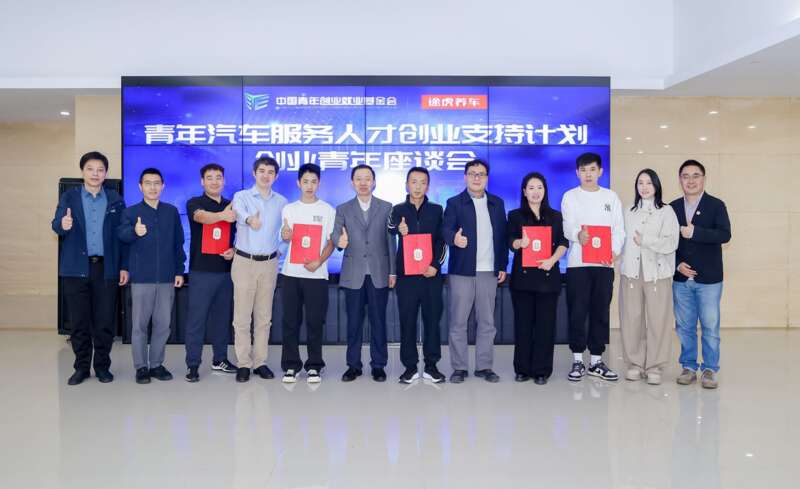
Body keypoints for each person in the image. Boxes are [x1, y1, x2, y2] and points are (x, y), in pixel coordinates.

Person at [51, 151, 128, 385]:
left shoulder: (115, 199)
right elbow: (56, 225)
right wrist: (63, 224)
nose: (95, 174)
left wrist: (124, 266)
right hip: (76, 269)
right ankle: (81, 367)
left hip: (105, 268)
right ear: (82, 171)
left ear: (106, 173)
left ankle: (102, 367)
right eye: (90, 169)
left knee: (105, 322)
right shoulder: (70, 197)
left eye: (100, 170)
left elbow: (122, 236)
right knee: (79, 323)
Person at [442, 158, 508, 383]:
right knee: (458, 322)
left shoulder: (497, 203)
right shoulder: (454, 203)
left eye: (481, 174)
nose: (477, 178)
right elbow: (445, 229)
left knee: (487, 323)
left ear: (487, 178)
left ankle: (484, 366)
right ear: (465, 177)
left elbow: (502, 237)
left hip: (489, 271)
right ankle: (459, 367)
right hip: (462, 271)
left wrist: (502, 265)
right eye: (472, 174)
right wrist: (454, 238)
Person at [118, 167, 186, 384]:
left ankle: (156, 364)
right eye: (148, 183)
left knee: (163, 325)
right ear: (140, 186)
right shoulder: (131, 212)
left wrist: (179, 270)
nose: (153, 187)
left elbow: (178, 243)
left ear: (163, 186)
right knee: (139, 326)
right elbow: (122, 236)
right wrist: (134, 232)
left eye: (157, 183)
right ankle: (141, 367)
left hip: (167, 277)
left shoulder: (171, 212)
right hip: (141, 278)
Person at [561, 152, 625, 382]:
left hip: (604, 265)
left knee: (600, 311)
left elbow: (619, 230)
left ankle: (596, 360)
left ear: (600, 172)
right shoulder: (570, 196)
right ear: (577, 173)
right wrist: (577, 235)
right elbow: (566, 226)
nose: (588, 174)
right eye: (583, 170)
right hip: (578, 264)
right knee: (577, 312)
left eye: (592, 169)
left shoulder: (611, 197)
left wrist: (614, 251)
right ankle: (577, 359)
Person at [331, 164, 396, 382]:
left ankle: (378, 365)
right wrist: (338, 241)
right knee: (354, 323)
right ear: (352, 183)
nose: (363, 183)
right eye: (358, 179)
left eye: (367, 178)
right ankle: (353, 365)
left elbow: (391, 241)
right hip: (353, 273)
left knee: (378, 322)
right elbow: (335, 234)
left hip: (379, 272)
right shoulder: (343, 208)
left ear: (374, 182)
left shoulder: (386, 207)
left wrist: (393, 271)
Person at [670, 160, 731, 389]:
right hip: (681, 279)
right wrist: (677, 264)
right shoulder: (672, 207)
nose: (691, 180)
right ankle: (688, 366)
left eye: (696, 175)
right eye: (685, 176)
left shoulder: (716, 205)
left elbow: (724, 235)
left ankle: (709, 369)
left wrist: (695, 232)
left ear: (703, 179)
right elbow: (666, 242)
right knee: (684, 327)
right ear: (680, 180)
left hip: (709, 279)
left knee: (710, 327)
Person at [619, 169, 679, 385]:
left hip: (657, 273)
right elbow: (620, 239)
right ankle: (635, 363)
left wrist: (646, 241)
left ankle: (655, 366)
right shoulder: (628, 211)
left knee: (658, 320)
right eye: (640, 183)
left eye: (649, 183)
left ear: (656, 186)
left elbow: (671, 242)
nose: (644, 187)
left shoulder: (666, 211)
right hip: (631, 272)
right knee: (631, 318)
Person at [507, 172, 568, 385]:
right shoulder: (515, 215)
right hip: (522, 280)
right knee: (523, 326)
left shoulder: (555, 216)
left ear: (545, 191)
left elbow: (563, 242)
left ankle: (542, 370)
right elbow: (510, 241)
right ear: (524, 191)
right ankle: (522, 368)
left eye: (539, 187)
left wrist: (552, 260)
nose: (535, 192)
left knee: (545, 326)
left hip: (548, 276)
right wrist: (519, 244)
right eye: (531, 188)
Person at [230, 156, 288, 382]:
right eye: (261, 171)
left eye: (270, 172)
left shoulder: (282, 202)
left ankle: (260, 362)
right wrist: (249, 220)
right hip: (244, 262)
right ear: (254, 173)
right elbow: (238, 212)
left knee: (264, 317)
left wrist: (280, 249)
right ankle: (244, 363)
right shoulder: (242, 196)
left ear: (276, 176)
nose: (266, 175)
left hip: (270, 264)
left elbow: (286, 232)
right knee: (242, 317)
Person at [389, 167, 447, 384]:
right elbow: (389, 228)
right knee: (407, 321)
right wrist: (399, 228)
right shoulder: (397, 209)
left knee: (432, 321)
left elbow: (442, 241)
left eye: (422, 182)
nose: (418, 186)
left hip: (431, 276)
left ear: (428, 186)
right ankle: (410, 366)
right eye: (414, 182)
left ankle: (431, 366)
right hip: (407, 277)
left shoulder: (437, 210)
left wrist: (435, 265)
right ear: (407, 184)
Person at [279, 163, 335, 384]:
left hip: (317, 275)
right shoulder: (289, 209)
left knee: (315, 322)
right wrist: (285, 235)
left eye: (313, 182)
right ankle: (290, 365)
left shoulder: (328, 210)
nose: (309, 186)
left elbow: (331, 242)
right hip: (291, 274)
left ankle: (314, 365)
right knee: (290, 321)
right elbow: (284, 237)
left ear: (319, 183)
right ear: (298, 183)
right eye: (305, 182)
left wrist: (319, 261)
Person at [183, 163, 238, 382]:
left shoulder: (231, 205)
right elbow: (202, 217)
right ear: (202, 181)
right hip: (201, 271)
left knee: (222, 319)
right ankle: (193, 364)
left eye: (218, 177)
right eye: (210, 177)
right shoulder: (195, 203)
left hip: (225, 272)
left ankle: (220, 359)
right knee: (196, 320)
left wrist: (234, 250)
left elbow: (239, 235)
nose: (214, 181)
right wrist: (224, 215)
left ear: (224, 180)